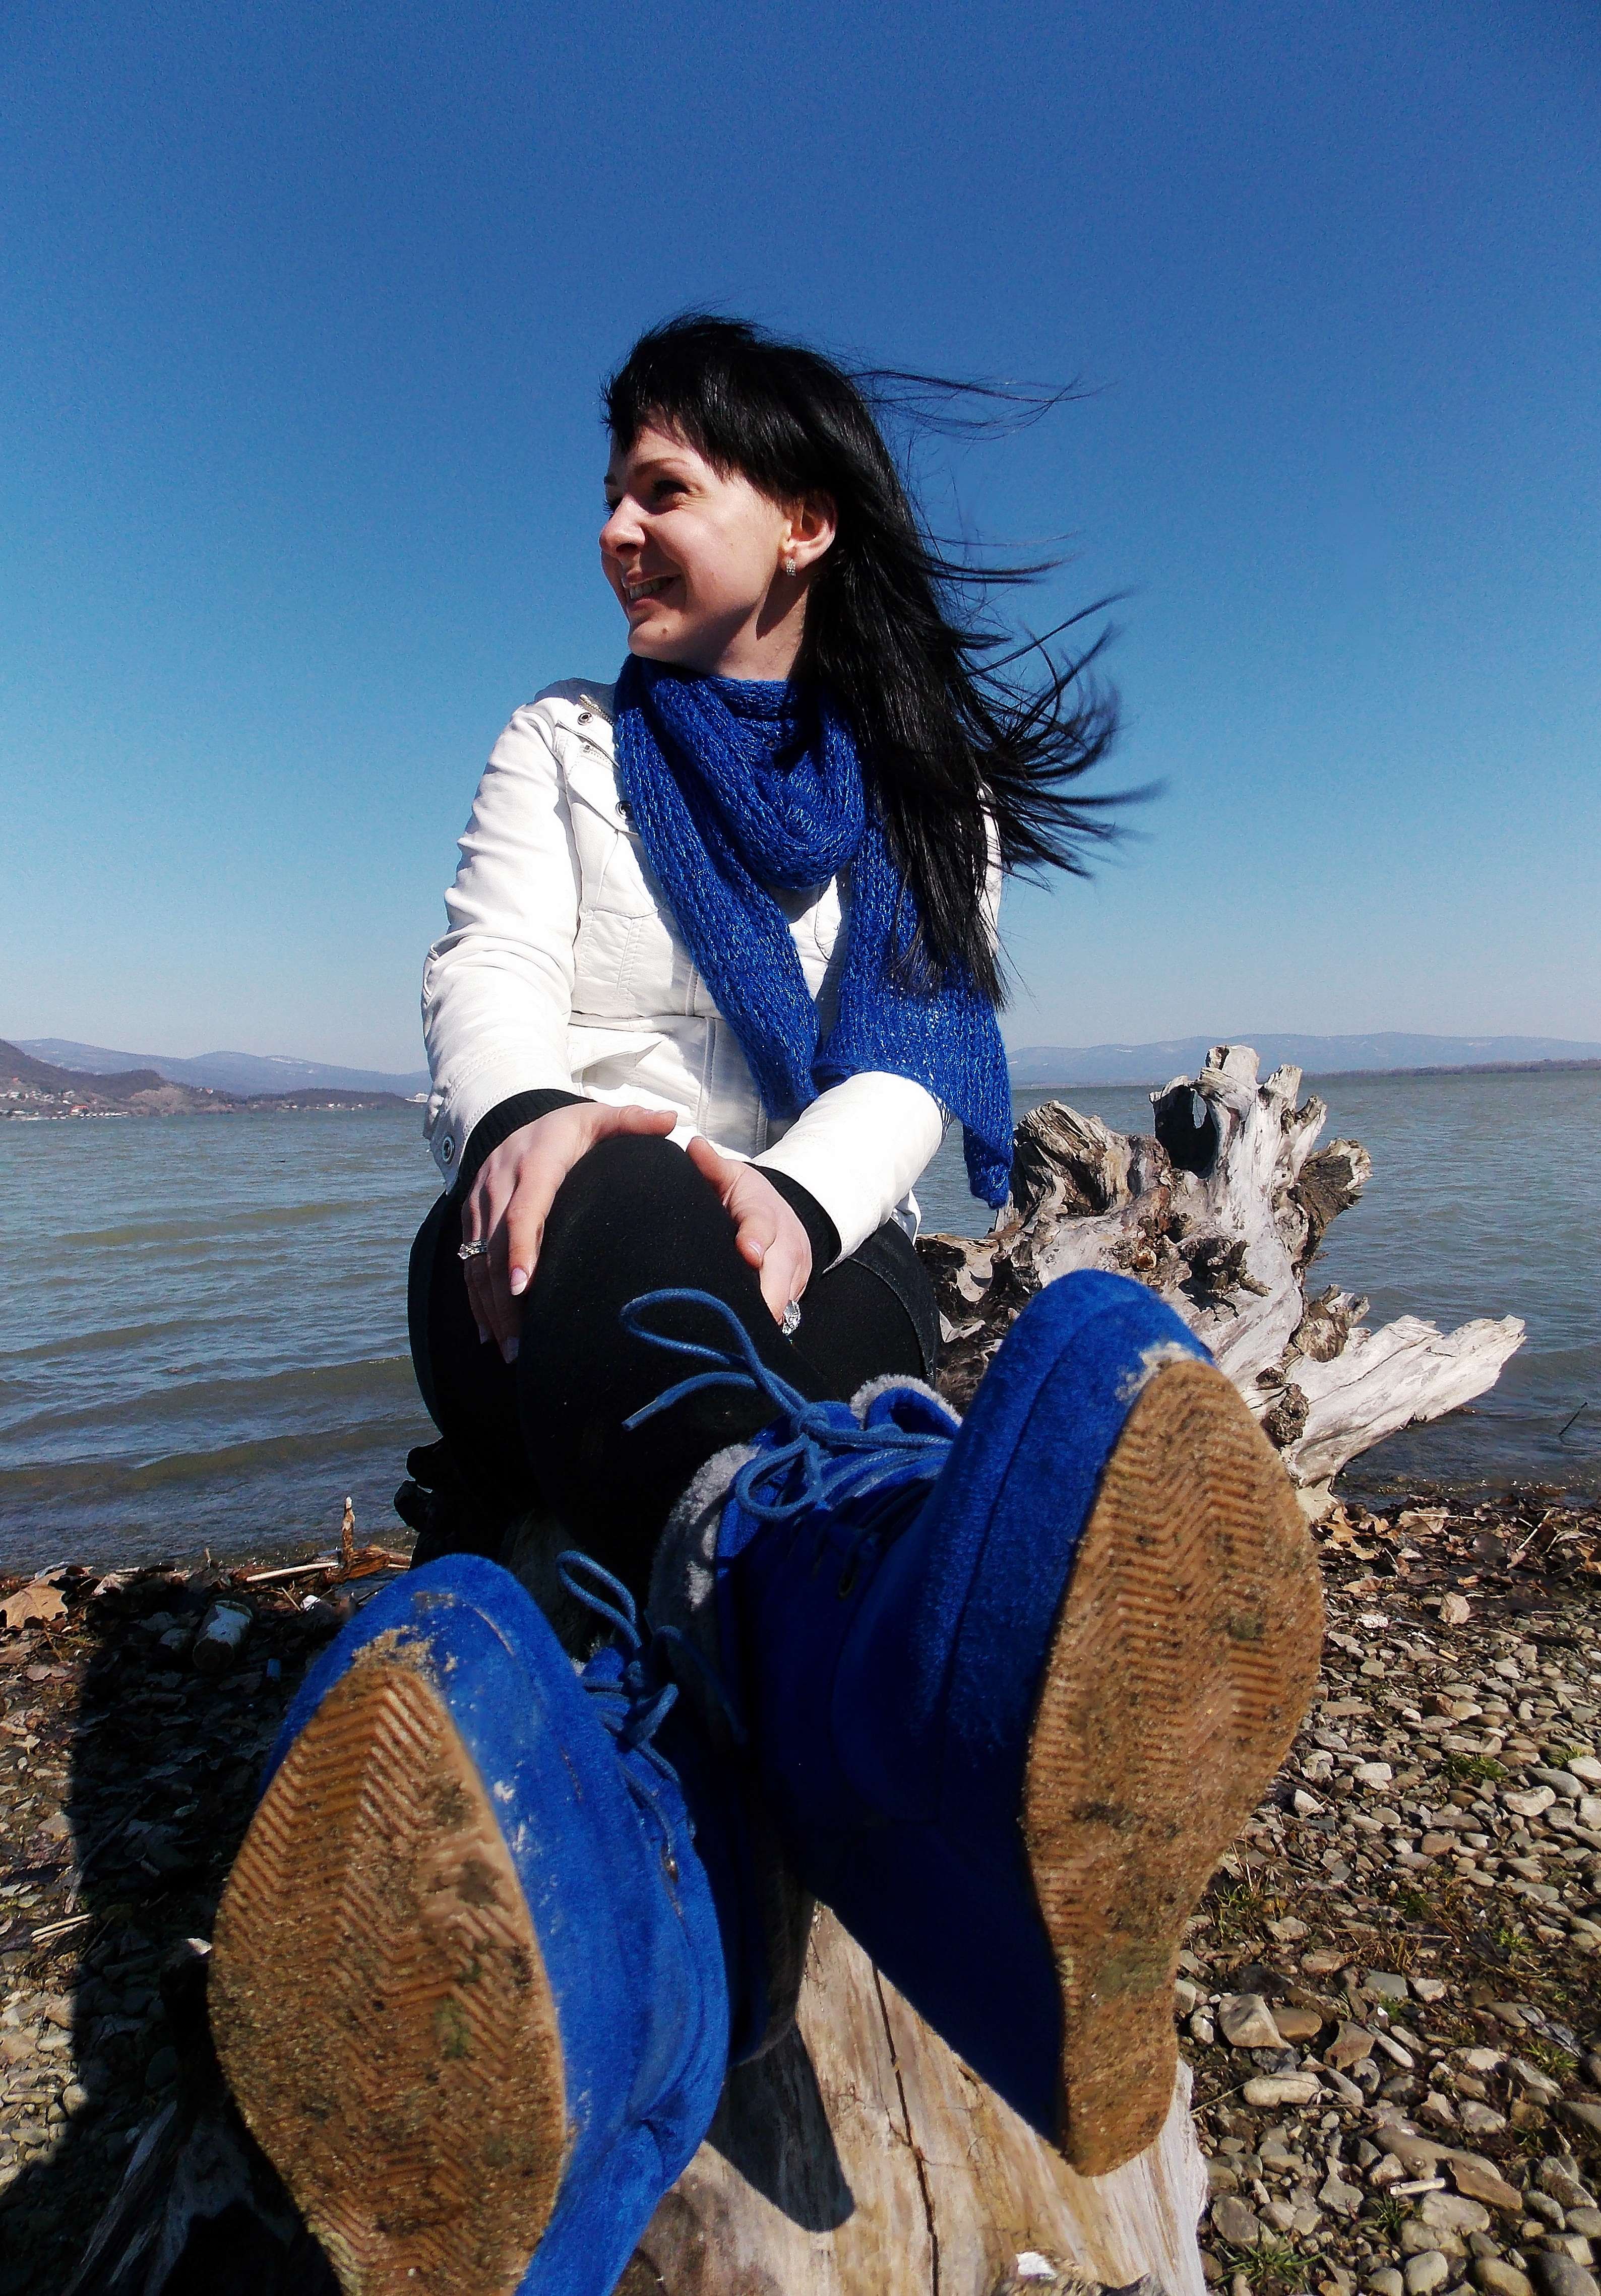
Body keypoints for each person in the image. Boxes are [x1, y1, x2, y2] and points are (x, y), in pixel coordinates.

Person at [207, 317, 1323, 2296]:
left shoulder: (920, 791)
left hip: (818, 1255)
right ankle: (851, 1644)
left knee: (797, 1350)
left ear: (799, 520)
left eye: (663, 487)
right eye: (609, 493)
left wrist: (797, 1198)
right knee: (639, 1191)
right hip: (541, 1258)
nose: (614, 528)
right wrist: (527, 1117)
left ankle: (624, 1986)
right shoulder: (563, 741)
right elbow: (483, 968)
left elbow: (909, 1067)